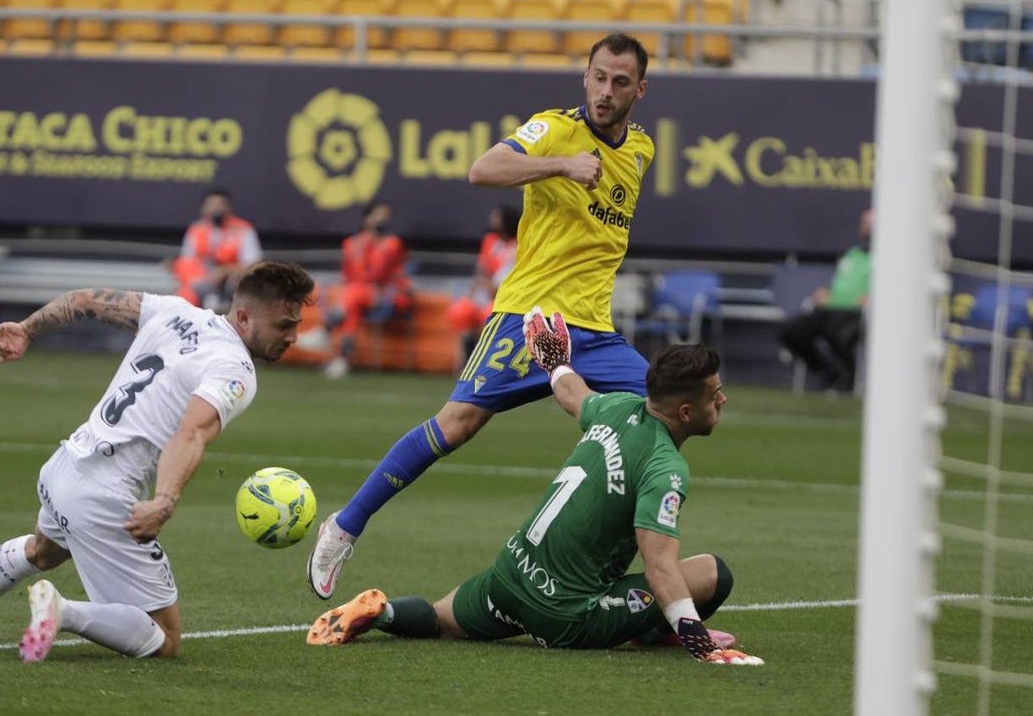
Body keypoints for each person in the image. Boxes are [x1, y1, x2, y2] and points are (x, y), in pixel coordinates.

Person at [308, 33, 656, 600]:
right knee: (457, 424)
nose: (606, 91)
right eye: (598, 77)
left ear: (639, 90)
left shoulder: (641, 149)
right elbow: (483, 168)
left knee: (661, 412)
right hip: (530, 315)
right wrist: (562, 166)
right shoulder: (554, 129)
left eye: (620, 82)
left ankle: (605, 563)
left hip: (595, 329)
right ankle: (344, 526)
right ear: (585, 76)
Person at [306, 310, 762, 666]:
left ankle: (381, 613)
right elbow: (660, 567)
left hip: (508, 577)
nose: (722, 399)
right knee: (714, 574)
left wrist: (555, 360)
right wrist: (701, 643)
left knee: (441, 620)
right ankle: (652, 631)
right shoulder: (666, 467)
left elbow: (570, 393)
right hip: (567, 617)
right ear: (685, 412)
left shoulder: (617, 405)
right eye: (714, 394)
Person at [0, 262, 315, 662]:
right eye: (283, 325)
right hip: (103, 496)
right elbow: (191, 434)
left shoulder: (174, 310)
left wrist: (27, 329)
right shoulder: (234, 368)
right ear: (244, 317)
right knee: (166, 638)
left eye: (295, 325)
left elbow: (85, 300)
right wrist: (165, 501)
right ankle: (61, 610)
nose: (292, 337)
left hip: (66, 464)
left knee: (43, 551)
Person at [296, 201, 413, 379]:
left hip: (390, 295)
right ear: (367, 219)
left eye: (386, 217)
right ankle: (342, 359)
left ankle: (327, 331)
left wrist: (366, 283)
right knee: (353, 304)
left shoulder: (393, 243)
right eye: (379, 215)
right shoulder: (351, 243)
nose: (383, 220)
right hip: (361, 294)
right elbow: (348, 275)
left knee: (353, 294)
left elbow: (379, 273)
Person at [779, 208, 873, 393]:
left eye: (868, 224)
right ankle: (829, 372)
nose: (864, 228)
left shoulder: (889, 258)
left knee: (840, 334)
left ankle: (847, 378)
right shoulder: (852, 255)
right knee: (792, 332)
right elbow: (842, 284)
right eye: (864, 223)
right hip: (831, 308)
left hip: (857, 313)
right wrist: (827, 293)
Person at [445, 205, 520, 364]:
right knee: (461, 310)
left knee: (488, 314)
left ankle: (483, 361)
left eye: (497, 217)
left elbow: (501, 282)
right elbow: (481, 269)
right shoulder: (490, 240)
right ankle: (464, 363)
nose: (492, 220)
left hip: (502, 298)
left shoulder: (518, 246)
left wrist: (487, 284)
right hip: (483, 292)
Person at [170, 188, 263, 311]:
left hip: (231, 283)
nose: (216, 208)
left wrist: (225, 271)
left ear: (229, 208)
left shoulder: (243, 229)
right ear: (203, 209)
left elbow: (254, 263)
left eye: (221, 204)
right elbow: (187, 261)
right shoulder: (196, 229)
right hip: (202, 282)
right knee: (185, 294)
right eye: (212, 204)